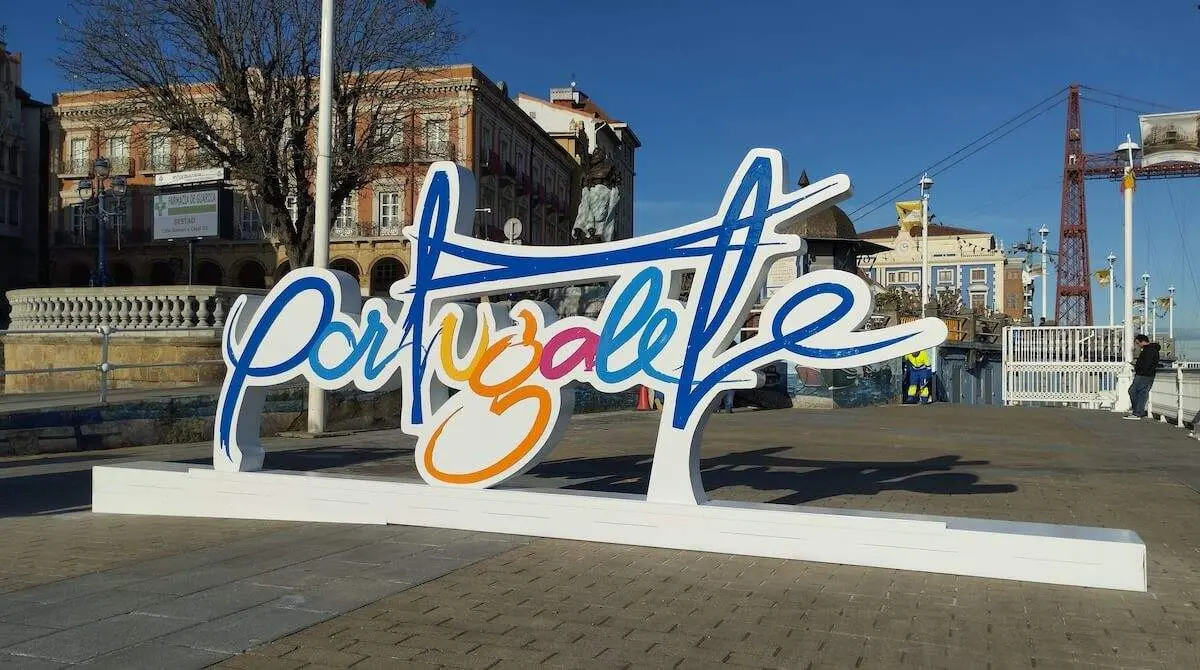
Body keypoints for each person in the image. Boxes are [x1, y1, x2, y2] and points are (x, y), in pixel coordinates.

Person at [1125, 334, 1160, 420]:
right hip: (1147, 375)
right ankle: (1138, 411)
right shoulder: (1151, 349)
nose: (1137, 345)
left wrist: (1137, 365)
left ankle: (1137, 412)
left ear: (1140, 341)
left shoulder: (1148, 350)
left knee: (1133, 391)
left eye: (1137, 343)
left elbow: (1146, 364)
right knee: (1141, 393)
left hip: (1143, 375)